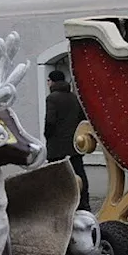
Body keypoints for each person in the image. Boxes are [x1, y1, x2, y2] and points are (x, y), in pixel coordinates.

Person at [43, 69, 90, 211]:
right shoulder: (73, 97)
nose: (47, 83)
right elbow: (82, 118)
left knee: (57, 174)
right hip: (74, 144)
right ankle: (83, 202)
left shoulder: (52, 98)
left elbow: (50, 121)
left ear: (52, 81)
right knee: (79, 172)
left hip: (57, 145)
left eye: (48, 80)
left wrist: (47, 135)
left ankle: (60, 204)